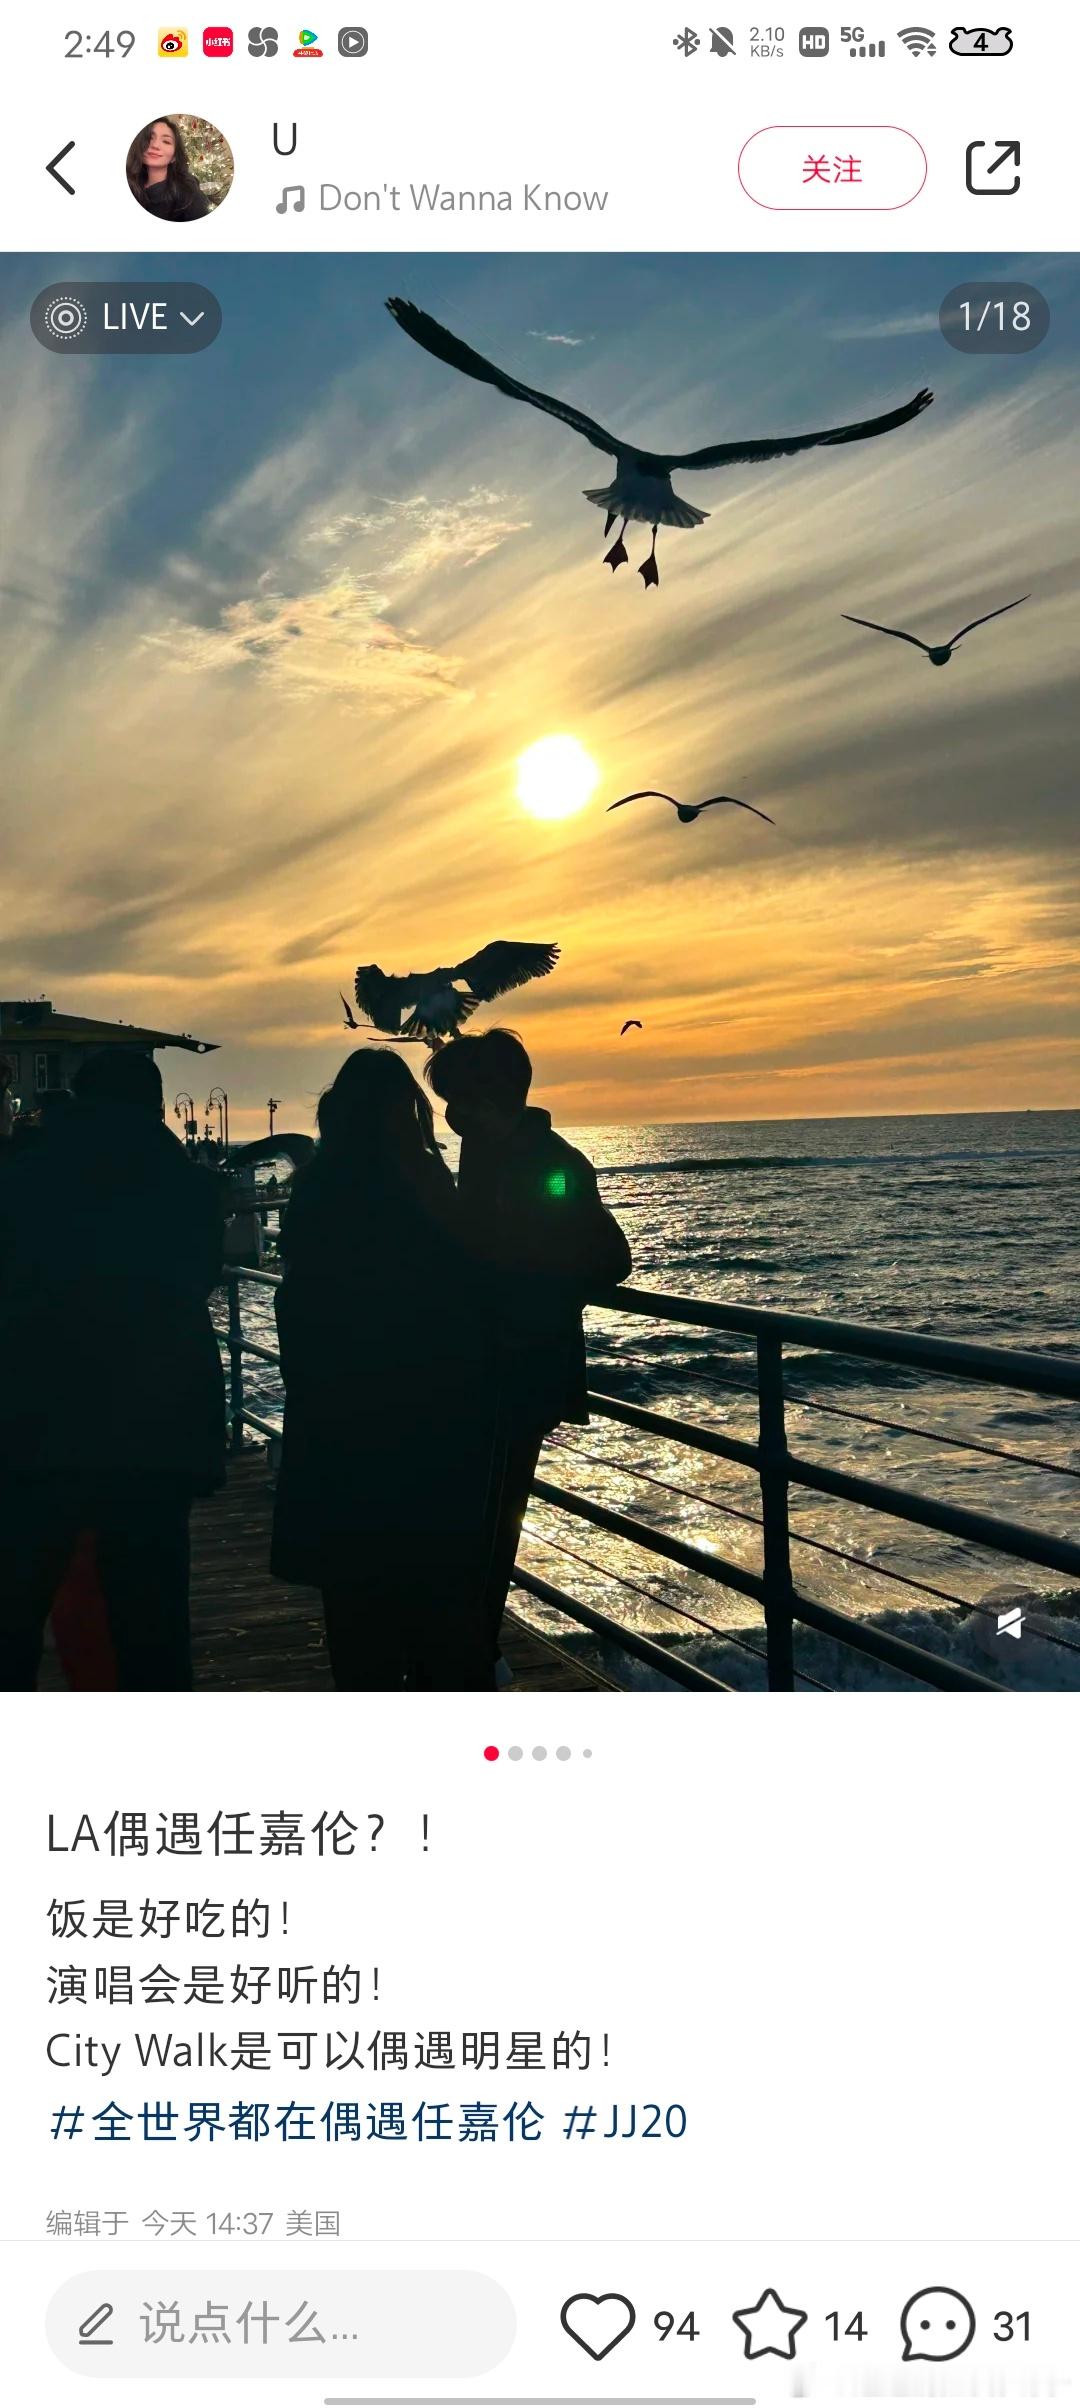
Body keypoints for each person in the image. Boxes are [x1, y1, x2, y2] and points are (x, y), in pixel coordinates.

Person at [270, 1049, 499, 1690]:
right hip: (427, 1422)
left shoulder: (317, 1192)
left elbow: (300, 1310)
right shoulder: (425, 1183)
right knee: (438, 1605)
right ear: (407, 1113)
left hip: (341, 1422)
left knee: (356, 1615)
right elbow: (466, 1286)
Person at [0, 1048, 225, 1690]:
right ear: (153, 1104)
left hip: (35, 1425)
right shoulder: (187, 1187)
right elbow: (198, 1280)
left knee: (15, 1611)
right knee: (152, 1616)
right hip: (155, 1431)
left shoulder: (21, 1177)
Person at [426, 1029, 632, 1655]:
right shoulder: (486, 1154)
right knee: (479, 1516)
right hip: (490, 1366)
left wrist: (527, 1273)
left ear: (492, 1096)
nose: (452, 1116)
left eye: (459, 1100)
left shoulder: (552, 1163)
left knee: (489, 1520)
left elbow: (610, 1257)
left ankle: (472, 1653)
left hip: (519, 1368)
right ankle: (466, 1646)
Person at [126, 118, 211, 222]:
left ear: (174, 156)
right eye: (149, 138)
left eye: (166, 141)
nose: (155, 145)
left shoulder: (189, 194)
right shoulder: (131, 182)